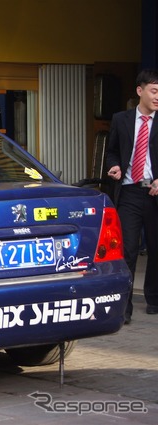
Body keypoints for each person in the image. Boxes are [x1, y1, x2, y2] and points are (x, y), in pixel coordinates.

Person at [105, 68, 158, 324]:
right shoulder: (121, 120)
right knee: (128, 250)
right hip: (128, 192)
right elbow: (112, 151)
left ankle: (154, 299)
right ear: (140, 91)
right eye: (154, 91)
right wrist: (114, 165)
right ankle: (123, 307)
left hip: (154, 192)